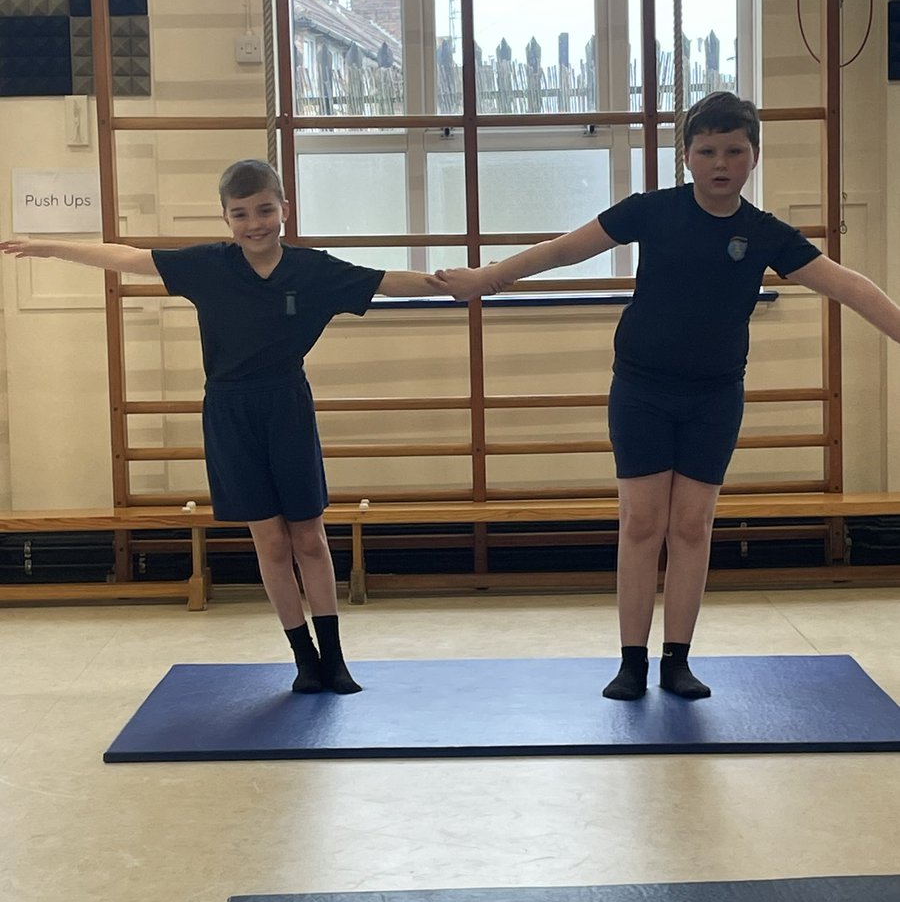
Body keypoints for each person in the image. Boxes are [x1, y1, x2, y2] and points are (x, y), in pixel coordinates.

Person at [427, 91, 900, 701]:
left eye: (734, 150)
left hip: (714, 397)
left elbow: (849, 286)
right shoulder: (652, 211)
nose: (720, 162)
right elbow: (564, 250)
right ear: (686, 156)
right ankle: (631, 660)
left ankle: (677, 659)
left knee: (693, 526)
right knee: (642, 522)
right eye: (707, 150)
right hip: (643, 391)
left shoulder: (765, 235)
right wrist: (485, 280)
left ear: (754, 156)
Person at [1, 158, 444, 695]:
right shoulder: (210, 266)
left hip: (286, 406)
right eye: (241, 214)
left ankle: (335, 658)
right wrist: (52, 248)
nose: (254, 223)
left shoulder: (312, 270)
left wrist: (464, 282)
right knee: (271, 542)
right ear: (226, 219)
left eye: (264, 209)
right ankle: (303, 660)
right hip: (230, 412)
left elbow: (387, 282)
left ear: (285, 208)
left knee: (308, 535)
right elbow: (128, 258)